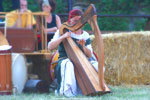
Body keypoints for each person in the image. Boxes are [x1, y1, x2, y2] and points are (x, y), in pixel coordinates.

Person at [48, 9, 99, 97]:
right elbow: (50, 47)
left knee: (96, 65)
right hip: (64, 60)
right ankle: (68, 92)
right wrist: (63, 37)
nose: (77, 23)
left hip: (82, 62)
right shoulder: (62, 31)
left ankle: (94, 89)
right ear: (70, 20)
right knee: (69, 64)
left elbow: (90, 54)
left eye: (79, 21)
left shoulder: (85, 35)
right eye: (75, 20)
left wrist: (83, 46)